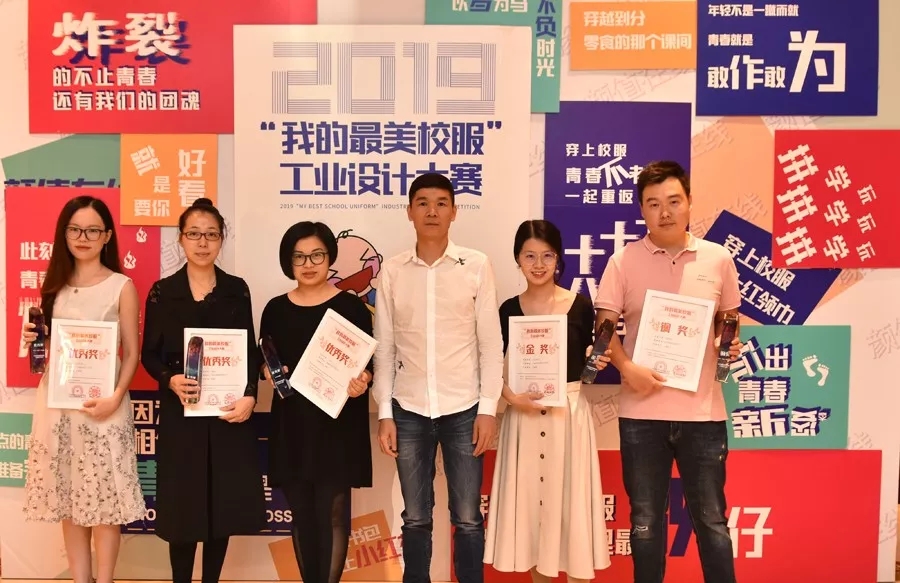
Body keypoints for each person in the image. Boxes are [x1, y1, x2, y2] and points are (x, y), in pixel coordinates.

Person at [593, 161, 744, 583]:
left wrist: (727, 341)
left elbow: (729, 319)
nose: (665, 212)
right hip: (642, 415)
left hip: (703, 414)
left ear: (690, 202)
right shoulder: (623, 261)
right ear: (641, 209)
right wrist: (627, 368)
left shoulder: (718, 258)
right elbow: (604, 329)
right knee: (645, 522)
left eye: (674, 201)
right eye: (654, 203)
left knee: (712, 521)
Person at [373, 173, 504, 583]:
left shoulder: (476, 265)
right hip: (408, 408)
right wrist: (385, 412)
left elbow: (490, 345)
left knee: (467, 517)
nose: (432, 211)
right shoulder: (392, 271)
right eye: (423, 203)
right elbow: (385, 348)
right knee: (415, 517)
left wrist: (488, 409)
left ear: (454, 212)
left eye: (441, 203)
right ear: (409, 211)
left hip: (465, 408)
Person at [140, 198, 265, 583]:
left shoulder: (236, 290)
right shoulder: (163, 292)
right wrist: (170, 379)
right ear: (180, 239)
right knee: (183, 510)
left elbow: (249, 350)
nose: (202, 242)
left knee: (220, 507)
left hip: (227, 415)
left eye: (211, 234)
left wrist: (250, 395)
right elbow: (149, 355)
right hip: (183, 414)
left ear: (222, 239)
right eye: (194, 234)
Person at [22, 195, 145, 583]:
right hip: (58, 408)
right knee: (70, 499)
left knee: (105, 502)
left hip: (105, 406)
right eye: (75, 229)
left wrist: (116, 398)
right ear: (64, 234)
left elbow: (131, 353)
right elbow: (46, 353)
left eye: (93, 230)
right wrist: (33, 340)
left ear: (107, 236)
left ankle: (104, 579)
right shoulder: (53, 285)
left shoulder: (121, 286)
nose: (83, 237)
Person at [484, 219, 611, 583]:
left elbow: (587, 364)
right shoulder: (507, 310)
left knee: (571, 510)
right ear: (517, 259)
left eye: (547, 256)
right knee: (531, 517)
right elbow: (490, 365)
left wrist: (595, 361)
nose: (538, 264)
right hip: (523, 417)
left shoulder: (581, 306)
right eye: (529, 256)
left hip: (567, 417)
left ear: (558, 259)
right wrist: (510, 398)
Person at [258, 221, 374, 583]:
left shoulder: (351, 307)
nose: (308, 264)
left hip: (337, 426)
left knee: (334, 514)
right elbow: (264, 359)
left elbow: (369, 365)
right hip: (292, 425)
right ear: (288, 261)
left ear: (330, 258)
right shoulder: (275, 309)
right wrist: (267, 371)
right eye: (299, 257)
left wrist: (363, 380)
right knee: (302, 515)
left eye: (317, 255)